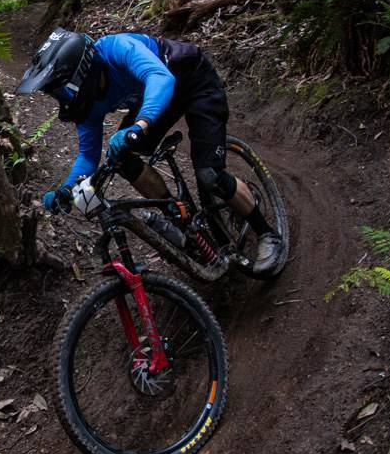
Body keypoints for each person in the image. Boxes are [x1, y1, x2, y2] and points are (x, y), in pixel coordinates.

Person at [15, 27, 283, 275]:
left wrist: (141, 124)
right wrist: (67, 190)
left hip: (192, 81)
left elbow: (160, 77)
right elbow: (88, 155)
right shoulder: (87, 106)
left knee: (209, 175)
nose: (61, 100)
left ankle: (267, 233)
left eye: (61, 91)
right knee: (120, 158)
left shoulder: (119, 47)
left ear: (81, 73)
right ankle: (179, 217)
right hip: (154, 98)